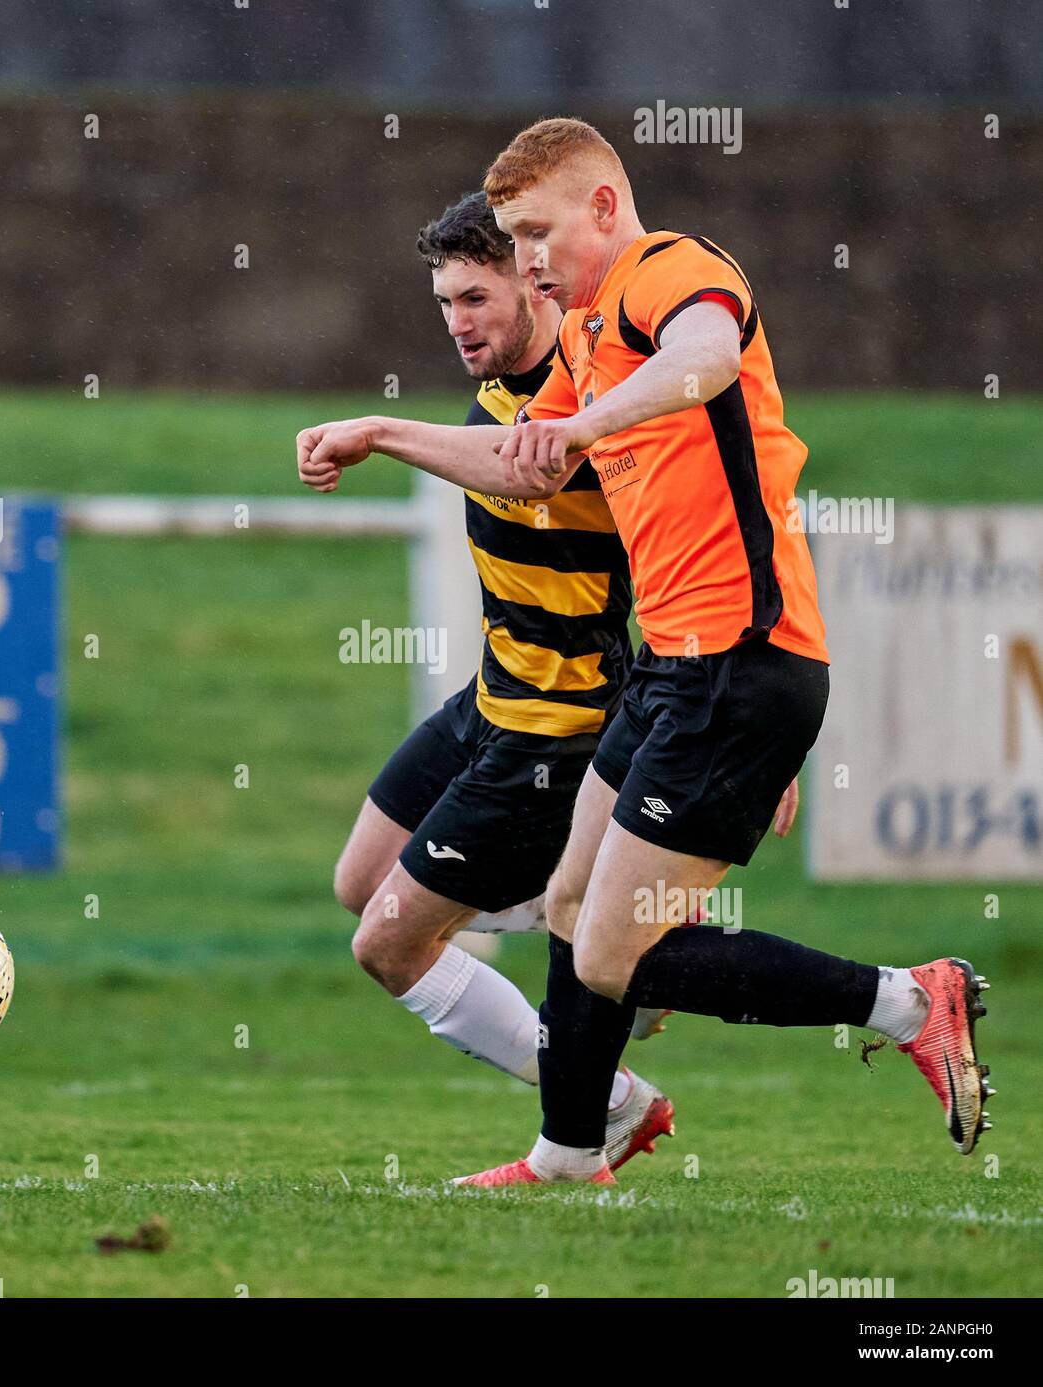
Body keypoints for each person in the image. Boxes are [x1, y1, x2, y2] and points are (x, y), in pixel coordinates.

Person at [298, 120, 991, 1186]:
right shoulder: (581, 339)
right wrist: (382, 433)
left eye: (536, 233)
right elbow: (524, 466)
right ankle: (570, 1150)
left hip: (738, 663)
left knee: (607, 944)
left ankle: (906, 999)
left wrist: (583, 426)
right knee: (577, 917)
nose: (524, 258)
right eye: (510, 240)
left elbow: (705, 359)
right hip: (675, 669)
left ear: (606, 209)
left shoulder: (673, 270)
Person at [318, 191, 675, 1173]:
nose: (457, 323)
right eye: (442, 302)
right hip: (490, 702)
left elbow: (531, 473)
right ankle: (601, 932)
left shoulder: (593, 392)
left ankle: (603, 1104)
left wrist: (380, 431)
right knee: (360, 882)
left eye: (474, 297)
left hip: (558, 729)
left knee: (388, 945)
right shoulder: (499, 391)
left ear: (535, 281)